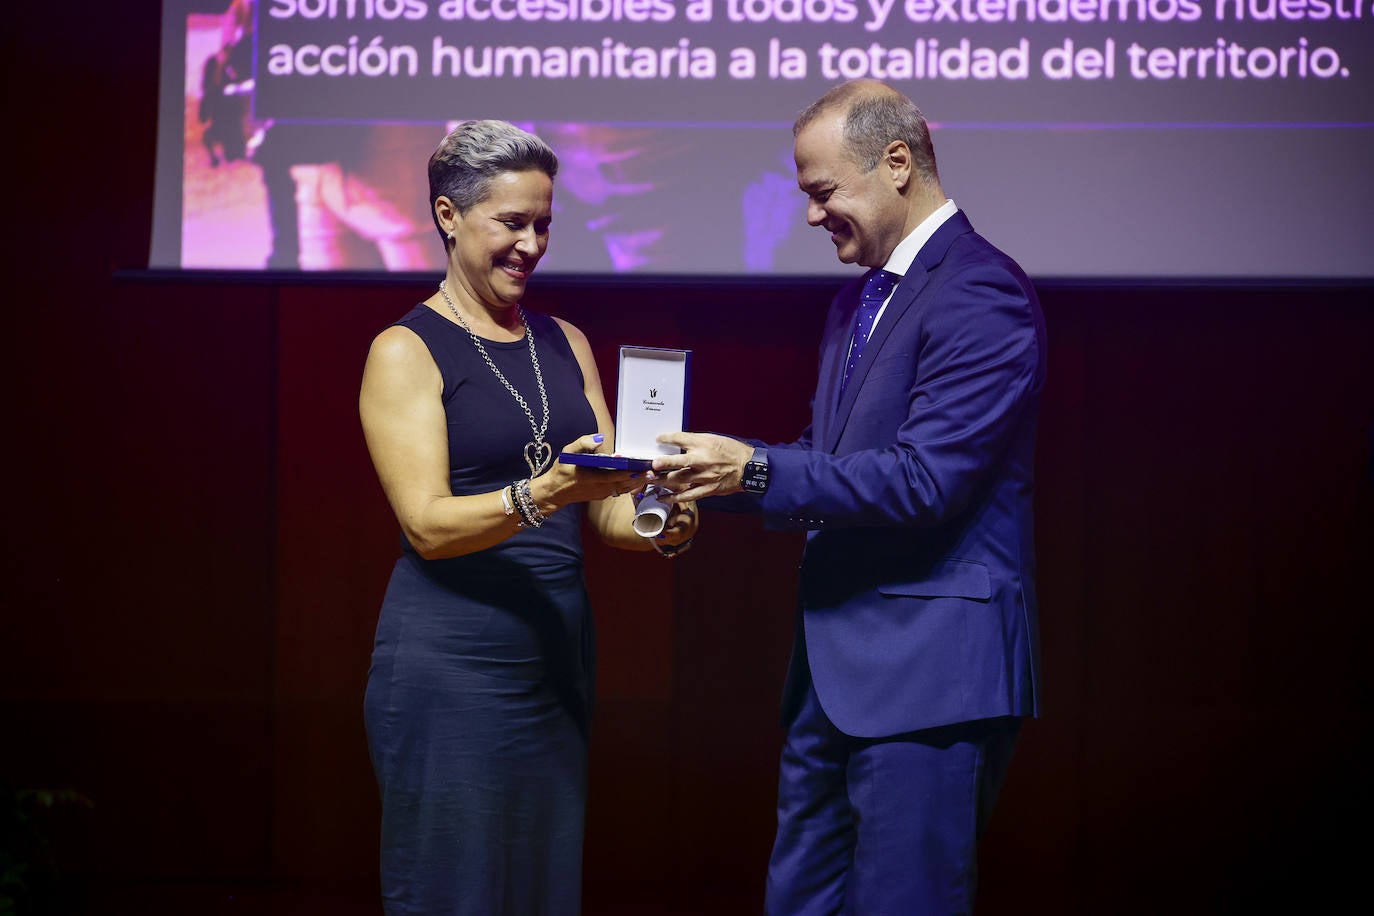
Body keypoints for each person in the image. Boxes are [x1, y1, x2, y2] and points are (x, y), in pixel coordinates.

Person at [652, 80, 1046, 914]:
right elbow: (830, 465)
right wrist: (698, 472)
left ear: (896, 162)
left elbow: (923, 480)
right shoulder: (857, 300)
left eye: (823, 192)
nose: (809, 216)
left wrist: (750, 469)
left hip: (928, 681)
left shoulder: (982, 292)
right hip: (831, 679)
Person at [358, 119, 696, 915]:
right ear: (448, 216)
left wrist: (667, 516)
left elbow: (608, 515)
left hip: (554, 661)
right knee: (455, 891)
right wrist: (544, 491)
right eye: (511, 222)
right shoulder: (404, 351)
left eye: (544, 223)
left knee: (542, 891)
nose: (533, 244)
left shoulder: (565, 340)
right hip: (450, 666)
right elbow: (428, 527)